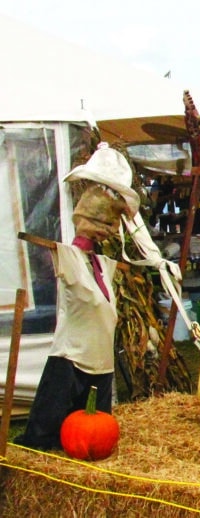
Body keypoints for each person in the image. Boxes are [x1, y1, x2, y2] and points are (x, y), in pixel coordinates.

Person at [14, 144, 136, 451]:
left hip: (101, 360)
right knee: (49, 432)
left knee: (93, 434)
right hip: (72, 356)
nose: (109, 232)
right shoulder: (70, 259)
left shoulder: (104, 267)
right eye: (104, 225)